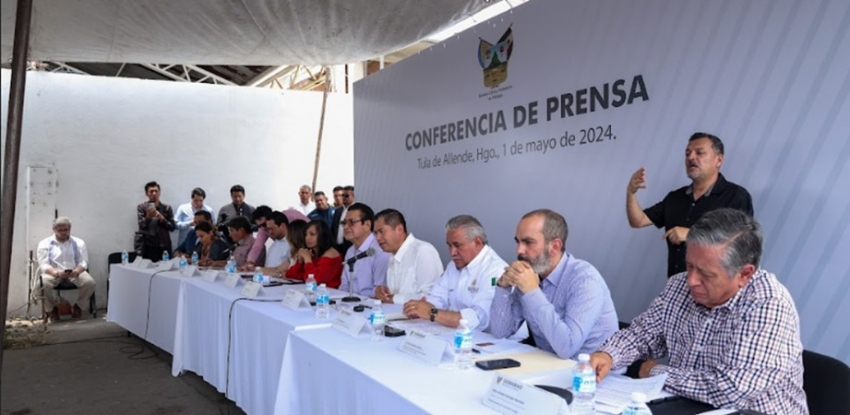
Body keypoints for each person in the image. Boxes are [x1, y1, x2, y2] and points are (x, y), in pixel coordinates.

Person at [590, 209, 807, 414]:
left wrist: (655, 372)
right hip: (687, 407)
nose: (691, 280)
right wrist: (608, 354)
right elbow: (642, 335)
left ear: (744, 274)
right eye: (689, 266)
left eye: (706, 274)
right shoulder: (679, 285)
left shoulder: (768, 304)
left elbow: (730, 391)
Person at [489, 209, 619, 359]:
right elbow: (500, 334)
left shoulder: (585, 280)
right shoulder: (531, 274)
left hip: (590, 370)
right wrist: (503, 287)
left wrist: (532, 292)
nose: (519, 250)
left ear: (555, 247)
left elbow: (567, 347)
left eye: (528, 242)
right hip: (548, 364)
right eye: (518, 242)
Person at [626, 133, 754, 277]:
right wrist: (631, 193)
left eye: (699, 153)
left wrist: (693, 234)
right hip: (678, 284)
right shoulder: (675, 197)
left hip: (716, 285)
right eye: (687, 154)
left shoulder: (736, 196)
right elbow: (638, 220)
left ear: (718, 160)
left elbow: (742, 242)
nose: (691, 157)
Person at [403, 215, 506, 330]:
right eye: (449, 245)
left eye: (458, 245)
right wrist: (420, 308)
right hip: (454, 333)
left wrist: (431, 312)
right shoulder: (453, 265)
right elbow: (437, 297)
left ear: (477, 243)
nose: (452, 252)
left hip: (485, 337)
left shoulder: (495, 270)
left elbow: (478, 318)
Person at [372, 209, 443, 305]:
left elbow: (430, 296)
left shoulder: (422, 251)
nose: (377, 238)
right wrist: (382, 293)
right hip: (395, 313)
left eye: (381, 231)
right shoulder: (392, 256)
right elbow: (394, 294)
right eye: (376, 233)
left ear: (399, 229)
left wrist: (394, 298)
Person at [37, 217, 96, 321]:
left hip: (74, 271)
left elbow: (83, 262)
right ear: (54, 229)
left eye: (66, 230)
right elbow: (43, 264)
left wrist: (77, 271)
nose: (63, 232)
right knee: (40, 285)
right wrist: (56, 273)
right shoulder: (44, 243)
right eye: (60, 230)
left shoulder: (79, 242)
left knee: (90, 283)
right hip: (53, 272)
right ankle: (51, 309)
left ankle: (78, 307)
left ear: (70, 228)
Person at [338, 203, 390, 298]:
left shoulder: (381, 250)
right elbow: (344, 286)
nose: (345, 227)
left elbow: (380, 291)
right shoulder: (350, 251)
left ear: (367, 225)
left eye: (351, 222)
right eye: (344, 223)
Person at [285, 220, 343, 288]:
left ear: (322, 235)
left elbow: (314, 281)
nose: (307, 238)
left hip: (329, 292)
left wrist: (307, 259)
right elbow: (290, 276)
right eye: (305, 235)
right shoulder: (312, 252)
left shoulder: (330, 253)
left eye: (312, 234)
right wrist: (299, 262)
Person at [136, 181, 176, 260]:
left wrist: (162, 218)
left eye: (156, 191)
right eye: (151, 191)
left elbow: (172, 227)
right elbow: (141, 226)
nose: (154, 193)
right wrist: (148, 218)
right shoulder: (142, 207)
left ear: (159, 192)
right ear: (146, 194)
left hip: (165, 246)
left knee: (167, 266)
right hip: (149, 246)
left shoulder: (167, 208)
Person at [244, 205, 273, 270]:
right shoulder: (263, 229)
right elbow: (257, 246)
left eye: (264, 224)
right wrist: (250, 262)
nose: (266, 228)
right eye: (259, 226)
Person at [331, 185, 356, 254]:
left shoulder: (356, 211)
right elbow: (333, 229)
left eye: (346, 196)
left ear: (353, 196)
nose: (344, 198)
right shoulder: (338, 211)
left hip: (350, 246)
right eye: (342, 195)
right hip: (337, 248)